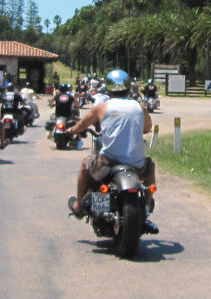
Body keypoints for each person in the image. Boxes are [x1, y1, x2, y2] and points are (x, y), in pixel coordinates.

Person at [67, 69, 156, 223]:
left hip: (107, 163)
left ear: (108, 87)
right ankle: (147, 203)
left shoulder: (102, 107)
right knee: (150, 167)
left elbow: (81, 125)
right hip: (136, 165)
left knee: (84, 165)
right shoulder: (139, 107)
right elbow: (147, 127)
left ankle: (79, 205)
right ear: (128, 87)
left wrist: (72, 130)